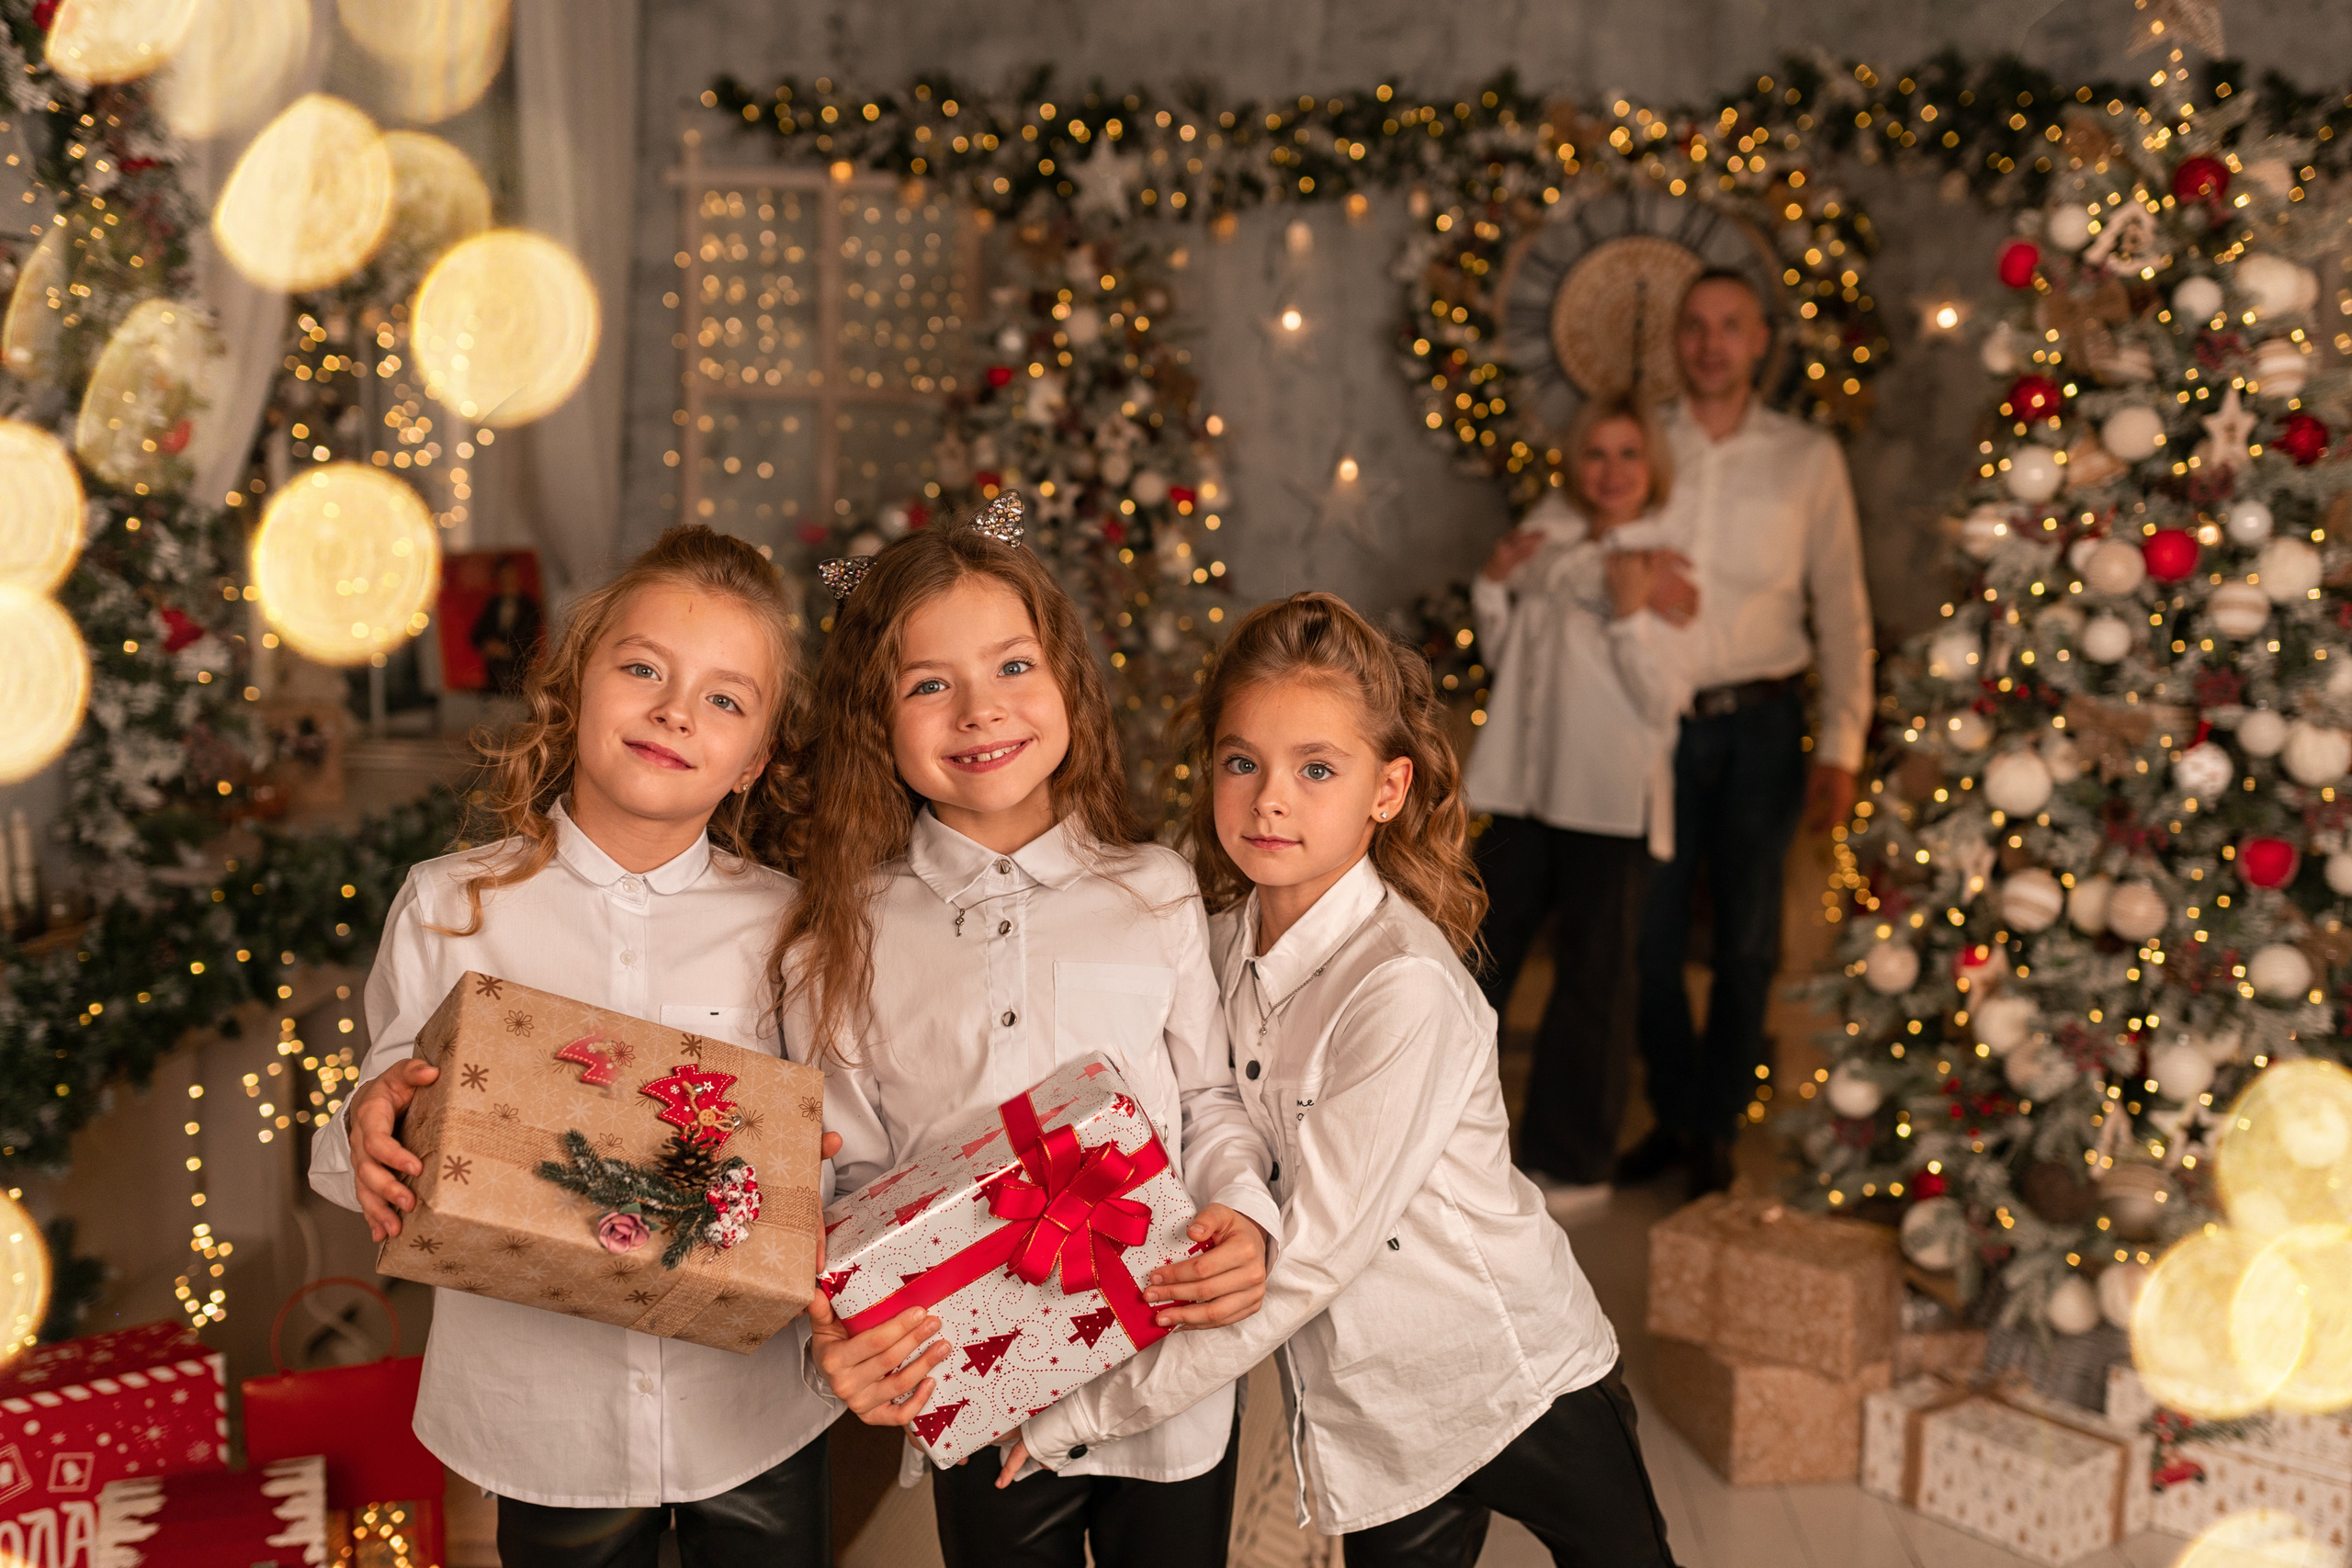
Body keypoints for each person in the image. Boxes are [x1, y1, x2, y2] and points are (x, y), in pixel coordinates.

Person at [995, 592, 1676, 1568]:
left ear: (1387, 789)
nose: (1270, 798)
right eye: (1242, 762)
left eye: (1317, 769)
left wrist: (1083, 1413)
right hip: (1379, 1414)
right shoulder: (1209, 948)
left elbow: (1304, 1263)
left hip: (1516, 1377)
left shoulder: (1401, 987)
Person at [311, 527, 838, 1568]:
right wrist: (370, 1125)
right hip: (544, 1418)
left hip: (752, 1410)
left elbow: (840, 1149)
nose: (675, 711)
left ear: (754, 762)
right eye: (643, 669)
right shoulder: (451, 906)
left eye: (724, 699)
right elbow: (382, 1105)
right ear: (575, 684)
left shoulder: (793, 928)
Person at [782, 497, 1278, 1568]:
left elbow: (1208, 1100)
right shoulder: (841, 935)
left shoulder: (1152, 889)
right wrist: (851, 1320)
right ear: (874, 718)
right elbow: (849, 1173)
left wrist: (1243, 1213)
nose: (980, 710)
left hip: (1166, 1372)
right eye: (928, 684)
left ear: (1068, 683)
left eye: (1013, 666)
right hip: (977, 1388)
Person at [1623, 267, 1872, 1194]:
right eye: (1695, 326)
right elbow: (1593, 547)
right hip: (1654, 720)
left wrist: (1842, 746)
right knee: (1646, 935)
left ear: (1760, 340)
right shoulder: (1644, 444)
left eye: (1730, 325)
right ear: (1677, 339)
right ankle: (1676, 1112)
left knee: (1746, 939)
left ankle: (1714, 1127)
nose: (1710, 343)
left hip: (1764, 724)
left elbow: (1841, 604)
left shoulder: (1806, 457)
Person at [1465, 394, 1697, 1209]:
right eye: (1596, 453)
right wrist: (1493, 586)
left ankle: (1574, 1159)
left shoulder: (1668, 559)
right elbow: (1510, 657)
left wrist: (1630, 617)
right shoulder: (1550, 543)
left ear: (1651, 465)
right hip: (1524, 790)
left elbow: (1667, 700)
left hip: (1609, 801)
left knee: (1593, 983)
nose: (1611, 470)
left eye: (1628, 453)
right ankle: (1449, 1140)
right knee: (1472, 963)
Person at [469, 553, 544, 696]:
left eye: (510, 575)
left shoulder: (529, 606)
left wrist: (506, 650)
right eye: (503, 576)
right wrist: (488, 645)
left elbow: (528, 637)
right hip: (495, 676)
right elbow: (477, 633)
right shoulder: (493, 605)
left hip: (520, 674)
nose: (507, 580)